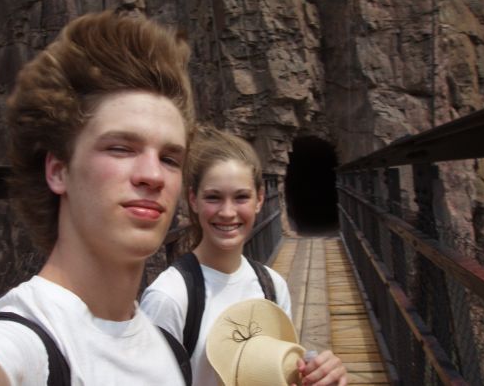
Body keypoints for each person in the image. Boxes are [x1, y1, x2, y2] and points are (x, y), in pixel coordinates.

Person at [0, 10, 195, 385]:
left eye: (169, 158)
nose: (152, 175)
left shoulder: (165, 343)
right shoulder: (29, 342)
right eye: (120, 148)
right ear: (58, 170)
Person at [140, 126, 348, 386]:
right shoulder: (169, 298)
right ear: (193, 200)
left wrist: (320, 375)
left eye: (241, 197)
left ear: (260, 199)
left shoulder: (272, 286)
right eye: (214, 197)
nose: (227, 212)